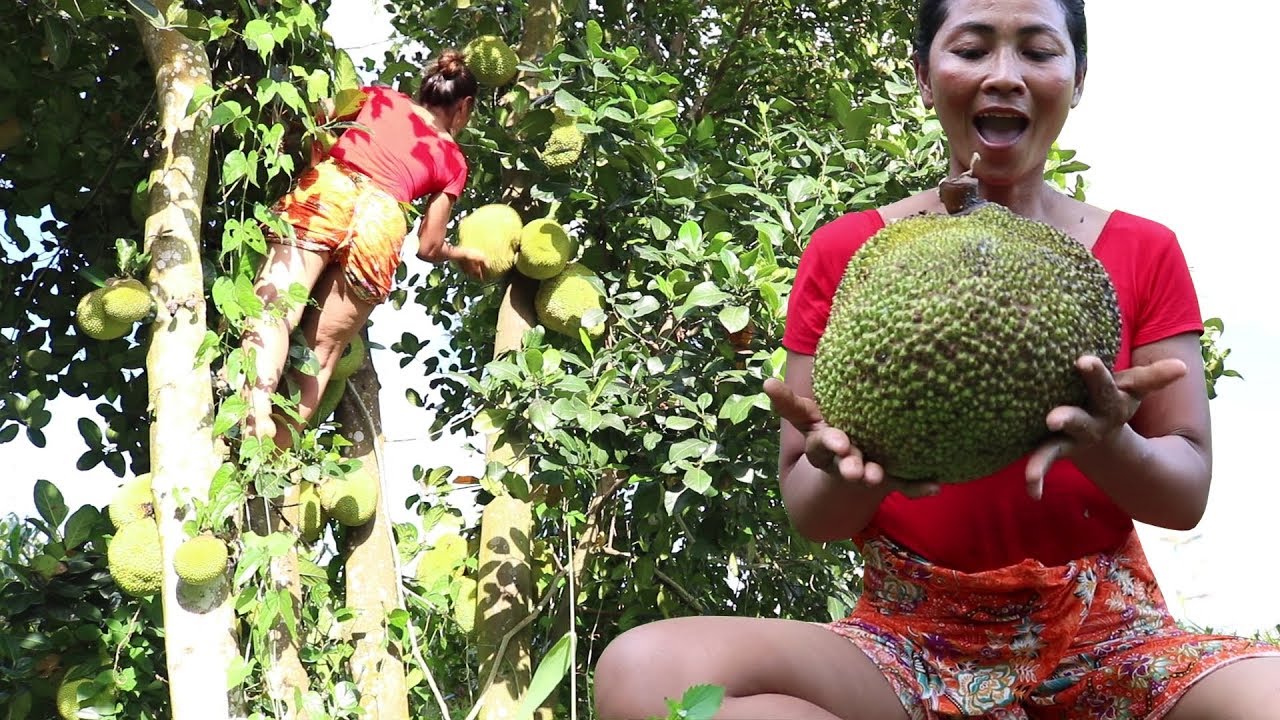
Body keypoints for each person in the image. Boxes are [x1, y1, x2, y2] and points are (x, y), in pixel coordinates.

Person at [592, 1, 1280, 718]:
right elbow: (810, 508)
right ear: (923, 77)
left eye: (1039, 50)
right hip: (907, 641)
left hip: (1111, 637)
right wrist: (864, 464)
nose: (1004, 75)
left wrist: (1108, 442)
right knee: (643, 673)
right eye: (973, 48)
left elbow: (1185, 492)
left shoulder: (1144, 250)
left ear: (1078, 79)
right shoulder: (849, 249)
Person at [240, 50, 489, 449]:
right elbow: (428, 246)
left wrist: (316, 163)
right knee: (323, 353)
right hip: (383, 223)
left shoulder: (379, 96)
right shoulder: (454, 160)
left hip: (330, 189)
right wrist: (462, 254)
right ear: (464, 107)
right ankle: (272, 454)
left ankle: (255, 405)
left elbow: (319, 122)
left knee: (274, 308)